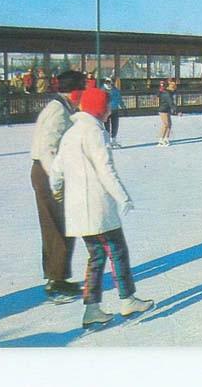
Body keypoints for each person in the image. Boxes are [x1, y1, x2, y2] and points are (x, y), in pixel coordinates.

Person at [50, 87, 154, 328]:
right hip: (97, 206)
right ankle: (127, 299)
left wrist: (56, 188)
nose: (110, 112)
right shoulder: (95, 132)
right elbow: (105, 169)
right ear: (100, 108)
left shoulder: (72, 132)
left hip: (78, 208)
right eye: (108, 107)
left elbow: (57, 168)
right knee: (117, 251)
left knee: (96, 257)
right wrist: (122, 197)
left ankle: (92, 309)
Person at [30, 70, 87, 302]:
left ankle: (59, 277)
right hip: (48, 173)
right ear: (75, 91)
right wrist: (57, 180)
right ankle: (55, 283)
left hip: (53, 173)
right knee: (56, 226)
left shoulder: (62, 107)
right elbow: (48, 149)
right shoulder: (57, 111)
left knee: (64, 225)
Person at [102, 77, 125, 148]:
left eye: (110, 82)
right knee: (106, 126)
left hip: (115, 110)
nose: (109, 84)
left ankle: (113, 140)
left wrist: (122, 106)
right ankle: (107, 141)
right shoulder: (102, 90)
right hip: (106, 110)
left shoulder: (115, 90)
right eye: (107, 83)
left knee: (115, 125)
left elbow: (119, 98)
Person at [157, 79, 178, 146]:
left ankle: (166, 138)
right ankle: (161, 139)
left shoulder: (170, 92)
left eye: (175, 86)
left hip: (167, 110)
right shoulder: (167, 93)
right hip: (163, 110)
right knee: (166, 124)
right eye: (173, 86)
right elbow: (170, 103)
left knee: (169, 124)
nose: (174, 87)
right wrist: (177, 111)